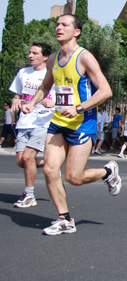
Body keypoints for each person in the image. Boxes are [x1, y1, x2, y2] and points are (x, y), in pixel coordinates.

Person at [21, 14, 121, 235]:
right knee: (49, 169)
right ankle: (64, 219)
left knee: (73, 178)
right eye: (57, 24)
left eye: (65, 24)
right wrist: (31, 103)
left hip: (81, 124)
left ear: (76, 32)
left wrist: (79, 107)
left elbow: (106, 91)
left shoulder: (84, 58)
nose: (59, 27)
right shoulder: (53, 59)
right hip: (58, 122)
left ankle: (107, 172)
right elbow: (46, 86)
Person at [9, 42, 55, 208]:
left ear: (44, 57)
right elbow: (17, 94)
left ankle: (29, 195)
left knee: (28, 157)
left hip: (42, 122)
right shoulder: (23, 72)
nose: (30, 55)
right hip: (24, 121)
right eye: (30, 52)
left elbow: (66, 98)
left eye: (35, 53)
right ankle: (50, 162)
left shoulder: (52, 75)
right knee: (21, 161)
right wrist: (15, 100)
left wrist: (54, 103)